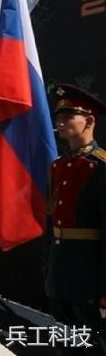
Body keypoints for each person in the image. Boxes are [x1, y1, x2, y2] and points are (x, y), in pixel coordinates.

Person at [45, 84, 106, 353]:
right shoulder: (59, 165)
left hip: (89, 269)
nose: (60, 121)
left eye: (69, 116)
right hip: (62, 264)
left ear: (89, 121)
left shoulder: (100, 166)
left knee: (95, 339)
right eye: (59, 116)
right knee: (67, 334)